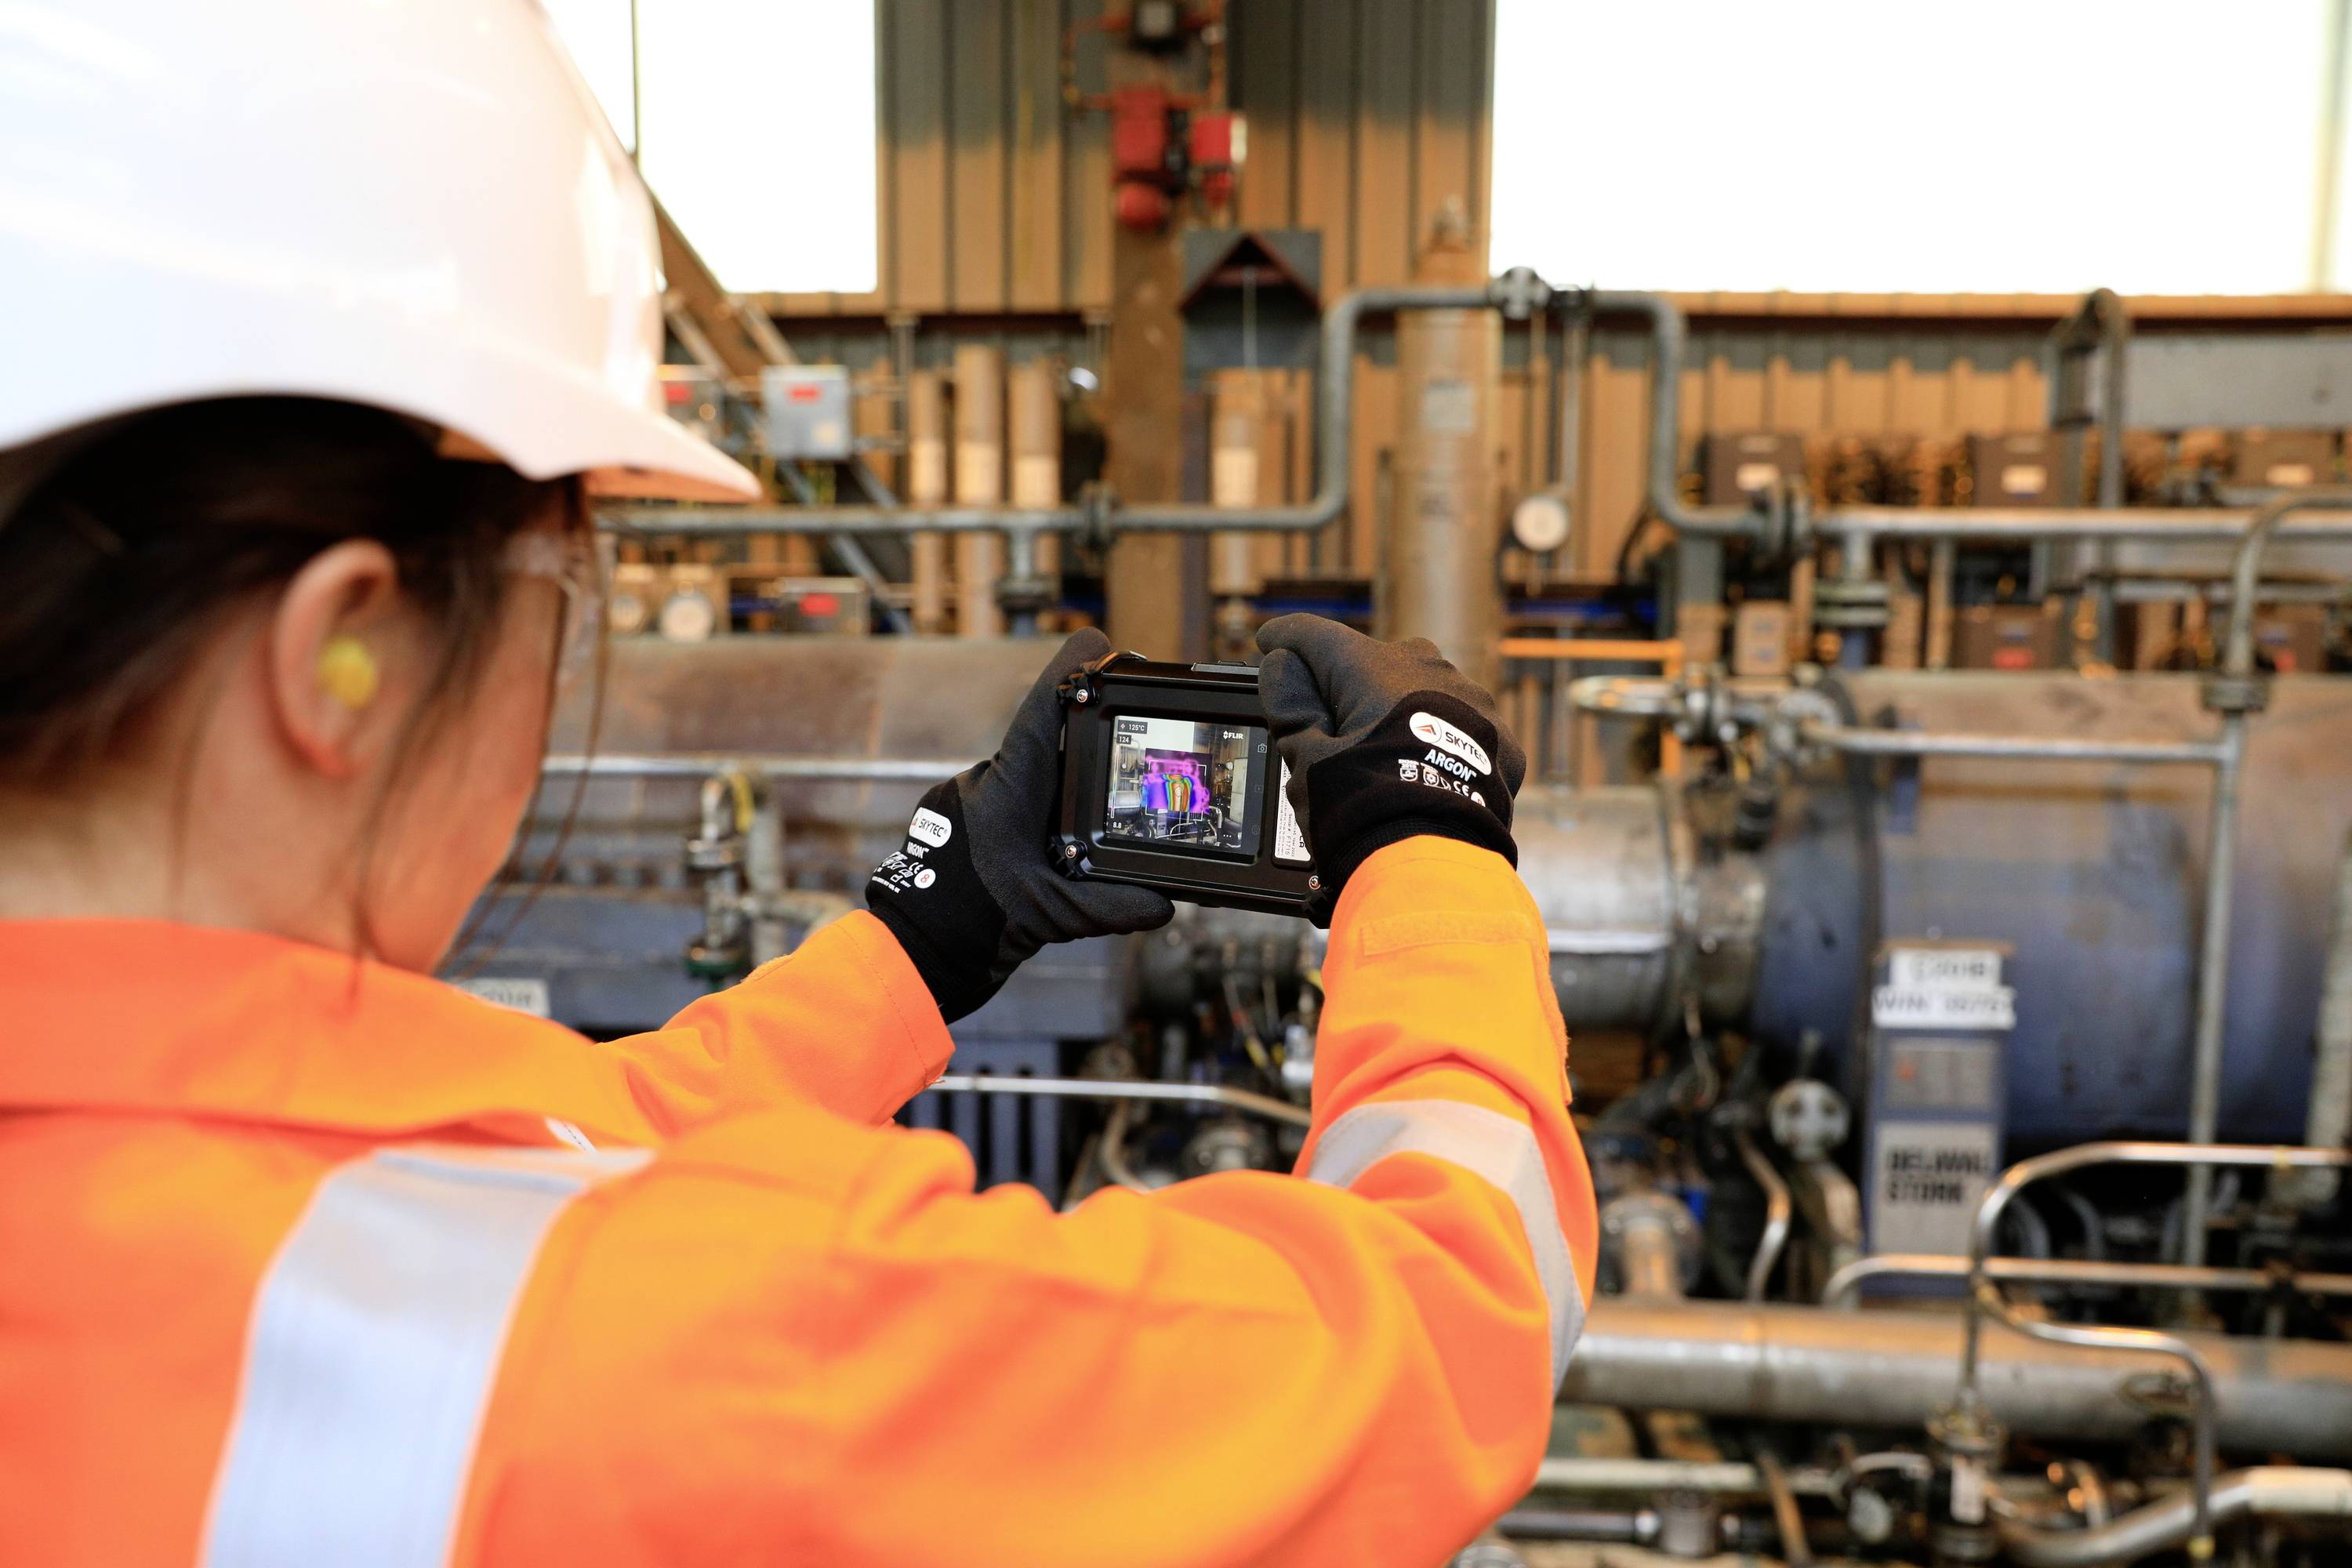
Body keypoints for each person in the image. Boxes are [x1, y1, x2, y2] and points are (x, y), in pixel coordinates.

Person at [0, 3, 1597, 1565]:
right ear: (339, 655)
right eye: (567, 590)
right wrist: (1430, 848)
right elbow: (1448, 1318)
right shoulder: (693, 1336)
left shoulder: (201, 1179)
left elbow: (576, 1125)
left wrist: (934, 925)